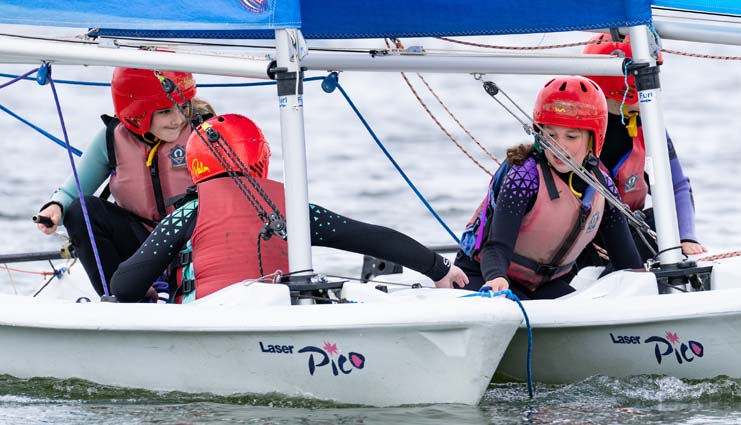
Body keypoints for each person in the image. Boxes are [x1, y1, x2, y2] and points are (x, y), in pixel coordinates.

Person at [110, 114, 468, 303]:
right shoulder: (291, 208)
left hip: (209, 320)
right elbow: (370, 237)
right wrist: (439, 268)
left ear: (195, 165)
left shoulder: (189, 213)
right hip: (282, 322)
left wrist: (148, 293)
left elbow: (124, 286)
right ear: (260, 157)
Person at [454, 75, 642, 300]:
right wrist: (497, 277)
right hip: (483, 275)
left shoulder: (602, 187)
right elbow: (496, 247)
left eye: (571, 136)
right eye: (550, 135)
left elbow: (627, 263)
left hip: (541, 285)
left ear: (594, 139)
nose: (559, 146)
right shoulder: (525, 176)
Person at [35, 67, 214, 295]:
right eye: (165, 112)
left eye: (182, 106)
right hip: (141, 248)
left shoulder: (206, 132)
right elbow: (71, 194)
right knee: (81, 210)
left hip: (193, 241)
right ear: (137, 113)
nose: (178, 119)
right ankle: (121, 299)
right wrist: (55, 207)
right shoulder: (111, 138)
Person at [582, 33, 707, 258]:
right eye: (649, 78)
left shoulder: (650, 127)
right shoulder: (573, 132)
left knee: (659, 221)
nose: (655, 90)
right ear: (624, 86)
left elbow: (676, 186)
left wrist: (686, 237)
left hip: (627, 234)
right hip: (582, 241)